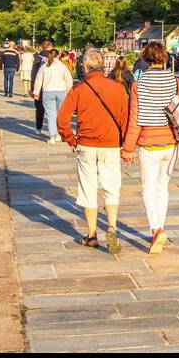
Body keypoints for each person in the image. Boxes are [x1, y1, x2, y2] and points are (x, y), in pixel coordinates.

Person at [120, 41, 179, 255]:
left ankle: (156, 229)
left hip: (149, 143)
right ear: (165, 58)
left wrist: (127, 148)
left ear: (145, 58)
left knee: (148, 188)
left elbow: (135, 120)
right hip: (171, 142)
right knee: (163, 187)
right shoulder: (176, 82)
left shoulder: (138, 85)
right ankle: (161, 226)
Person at [57, 47, 129, 253]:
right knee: (111, 187)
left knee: (88, 188)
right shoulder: (117, 87)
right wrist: (123, 143)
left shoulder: (79, 89)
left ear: (85, 66)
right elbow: (125, 117)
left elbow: (62, 120)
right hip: (111, 144)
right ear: (102, 65)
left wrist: (71, 140)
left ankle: (91, 234)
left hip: (86, 145)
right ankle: (112, 227)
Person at [33, 47, 73, 144]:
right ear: (58, 56)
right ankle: (59, 134)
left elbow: (38, 80)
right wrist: (69, 92)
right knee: (60, 114)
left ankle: (52, 136)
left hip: (48, 91)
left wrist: (36, 92)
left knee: (50, 115)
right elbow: (69, 80)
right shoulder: (63, 67)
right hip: (61, 91)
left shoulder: (44, 66)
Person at [32, 39, 54, 134]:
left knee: (39, 109)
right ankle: (52, 130)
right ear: (50, 46)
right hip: (53, 86)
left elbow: (34, 73)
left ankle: (38, 128)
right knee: (52, 110)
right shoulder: (55, 57)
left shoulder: (38, 57)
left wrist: (34, 88)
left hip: (40, 87)